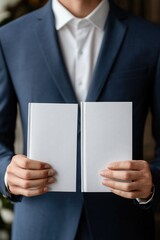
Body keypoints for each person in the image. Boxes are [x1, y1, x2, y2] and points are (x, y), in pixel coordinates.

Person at [0, 0, 160, 239]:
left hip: (123, 227)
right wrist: (6, 172)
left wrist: (152, 181)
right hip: (40, 227)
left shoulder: (150, 38)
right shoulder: (9, 37)